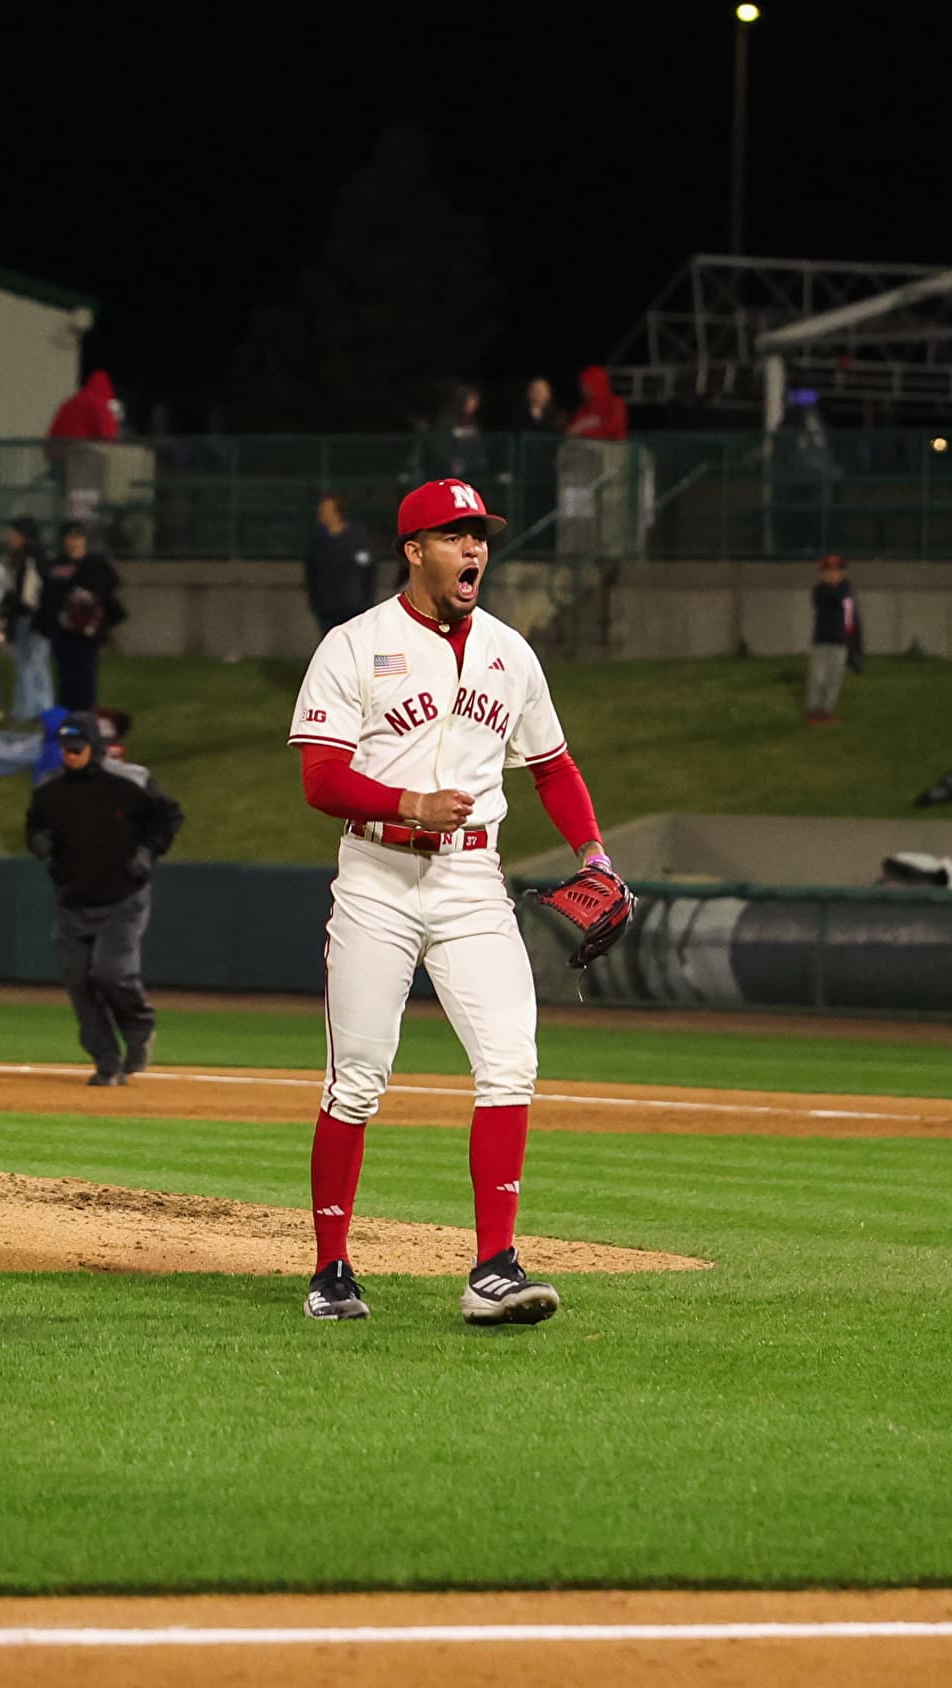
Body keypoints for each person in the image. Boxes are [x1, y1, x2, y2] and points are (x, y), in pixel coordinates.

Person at [286, 476, 617, 1327]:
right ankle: (331, 1269)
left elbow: (554, 766)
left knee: (510, 1061)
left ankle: (494, 1270)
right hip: (377, 877)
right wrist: (406, 805)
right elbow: (321, 779)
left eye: (480, 535)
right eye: (455, 534)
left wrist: (596, 853)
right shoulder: (354, 645)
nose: (474, 549)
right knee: (356, 1082)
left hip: (473, 881)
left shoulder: (511, 651)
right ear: (413, 550)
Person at [25, 716, 185, 1085]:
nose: (70, 755)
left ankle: (138, 1027)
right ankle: (107, 1061)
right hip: (72, 899)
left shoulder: (131, 781)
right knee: (79, 982)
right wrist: (42, 848)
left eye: (77, 748)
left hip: (123, 897)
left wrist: (147, 851)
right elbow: (35, 826)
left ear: (94, 747)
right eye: (64, 749)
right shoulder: (50, 789)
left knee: (112, 973)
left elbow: (168, 817)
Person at [42, 521, 126, 713]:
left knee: (85, 675)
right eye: (70, 537)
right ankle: (67, 714)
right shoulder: (56, 565)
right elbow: (48, 597)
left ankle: (85, 714)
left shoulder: (96, 563)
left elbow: (110, 586)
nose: (74, 542)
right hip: (63, 630)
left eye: (78, 537)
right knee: (65, 676)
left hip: (87, 630)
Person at [0, 517, 58, 722]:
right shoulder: (20, 558)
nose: (9, 537)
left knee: (34, 664)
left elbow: (31, 593)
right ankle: (27, 708)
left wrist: (30, 613)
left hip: (34, 618)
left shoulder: (33, 558)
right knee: (26, 664)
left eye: (13, 533)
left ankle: (39, 708)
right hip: (25, 617)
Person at [302, 494, 379, 634]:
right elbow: (311, 572)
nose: (321, 514)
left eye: (326, 510)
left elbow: (368, 568)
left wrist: (366, 600)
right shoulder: (317, 540)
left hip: (353, 604)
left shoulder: (357, 538)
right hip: (326, 606)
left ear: (338, 513)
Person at [804, 553, 864, 726]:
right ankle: (813, 711)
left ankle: (825, 711)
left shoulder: (848, 595)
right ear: (822, 574)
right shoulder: (820, 591)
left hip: (840, 642)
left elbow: (850, 619)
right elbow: (834, 596)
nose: (832, 574)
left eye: (837, 571)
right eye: (828, 571)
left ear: (843, 572)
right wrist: (845, 587)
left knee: (834, 678)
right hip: (822, 641)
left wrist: (854, 644)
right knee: (818, 677)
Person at [48, 370, 123, 442]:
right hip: (79, 450)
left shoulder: (71, 401)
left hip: (56, 450)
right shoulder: (98, 403)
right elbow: (108, 435)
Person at [564, 365, 628, 440]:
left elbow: (611, 430)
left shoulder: (615, 403)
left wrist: (583, 433)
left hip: (611, 449)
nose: (583, 389)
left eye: (586, 385)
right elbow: (572, 431)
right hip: (584, 448)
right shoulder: (583, 409)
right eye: (582, 385)